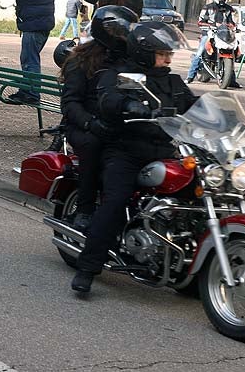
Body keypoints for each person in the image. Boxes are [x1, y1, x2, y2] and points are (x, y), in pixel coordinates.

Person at [70, 21, 195, 293]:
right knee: (115, 200)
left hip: (164, 151)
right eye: (163, 53)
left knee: (195, 195)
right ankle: (87, 267)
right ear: (144, 52)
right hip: (125, 150)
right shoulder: (122, 74)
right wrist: (128, 103)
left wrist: (222, 119)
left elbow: (193, 104)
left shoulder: (173, 80)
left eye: (169, 53)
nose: (168, 58)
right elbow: (108, 98)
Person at [58, 6, 139, 233]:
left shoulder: (129, 60)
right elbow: (70, 103)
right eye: (121, 32)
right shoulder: (81, 60)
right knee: (93, 146)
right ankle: (84, 209)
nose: (125, 37)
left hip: (118, 124)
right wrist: (90, 123)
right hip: (83, 126)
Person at [187, 0, 239, 85]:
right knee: (199, 53)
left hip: (223, 33)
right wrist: (212, 25)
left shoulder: (229, 9)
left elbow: (232, 21)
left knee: (234, 50)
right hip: (209, 33)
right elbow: (200, 22)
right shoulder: (208, 7)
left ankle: (232, 80)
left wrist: (234, 26)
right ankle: (190, 76)